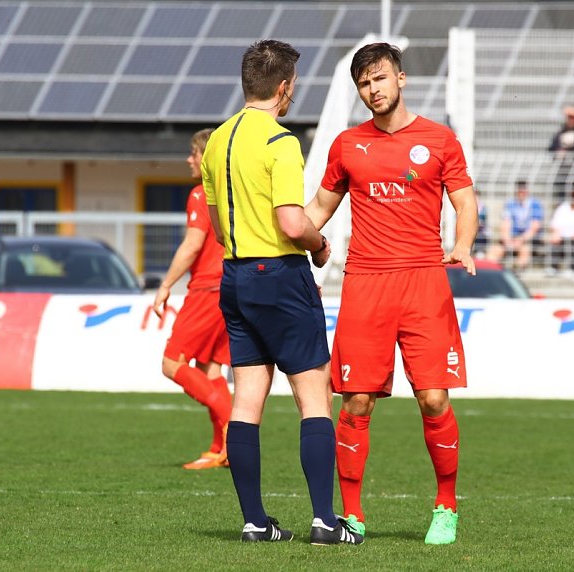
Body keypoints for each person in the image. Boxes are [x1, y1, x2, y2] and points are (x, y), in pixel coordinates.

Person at [305, 42, 477, 545]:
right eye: (363, 83)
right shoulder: (346, 145)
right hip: (365, 282)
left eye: (379, 78)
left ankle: (446, 505)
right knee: (356, 402)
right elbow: (319, 207)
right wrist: (287, 242)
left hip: (424, 281)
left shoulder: (440, 140)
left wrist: (462, 244)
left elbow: (465, 202)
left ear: (400, 79)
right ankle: (351, 517)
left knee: (433, 398)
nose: (372, 89)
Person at [202, 39, 362, 546]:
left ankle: (255, 522)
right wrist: (319, 246)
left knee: (247, 399)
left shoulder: (215, 142)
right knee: (314, 395)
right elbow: (293, 222)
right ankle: (324, 521)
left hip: (235, 275)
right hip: (281, 275)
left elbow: (216, 222)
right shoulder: (279, 141)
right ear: (285, 87)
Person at [152, 128, 231, 471]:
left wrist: (166, 285)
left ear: (207, 157)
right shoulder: (233, 194)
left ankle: (233, 428)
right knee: (211, 370)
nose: (189, 159)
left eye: (194, 153)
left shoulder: (202, 195)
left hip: (208, 289)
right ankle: (221, 448)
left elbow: (193, 244)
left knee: (172, 363)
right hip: (231, 286)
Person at [486, 179, 544, 270]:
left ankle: (516, 272)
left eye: (523, 191)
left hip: (526, 239)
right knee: (494, 251)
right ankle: (490, 272)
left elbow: (534, 227)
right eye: (519, 191)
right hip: (512, 238)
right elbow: (505, 223)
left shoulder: (535, 204)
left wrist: (520, 239)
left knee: (525, 250)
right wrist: (507, 240)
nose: (521, 193)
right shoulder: (510, 204)